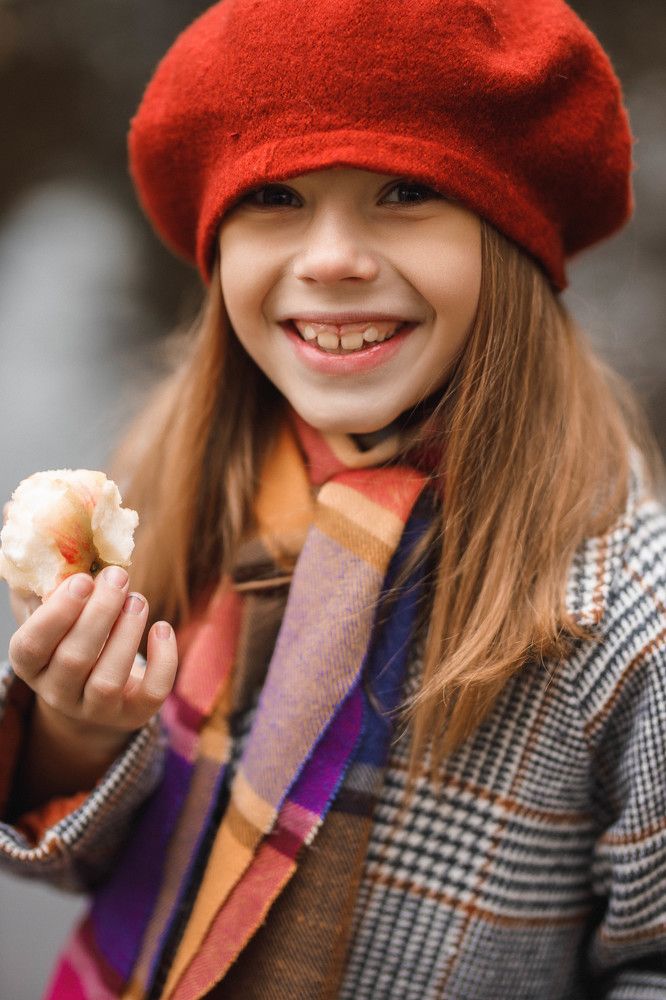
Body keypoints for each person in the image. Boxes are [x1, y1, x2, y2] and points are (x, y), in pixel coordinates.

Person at [1, 0, 665, 997]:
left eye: (404, 190)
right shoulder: (196, 494)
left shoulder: (625, 609)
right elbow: (118, 869)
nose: (332, 258)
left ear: (512, 238)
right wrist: (79, 729)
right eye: (275, 195)